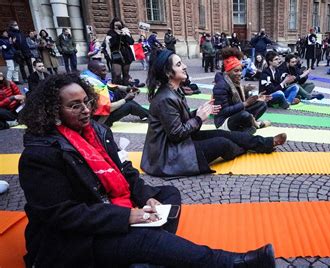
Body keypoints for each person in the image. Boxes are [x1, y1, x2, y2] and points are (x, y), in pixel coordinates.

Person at [18, 73, 276, 267]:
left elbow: (126, 172)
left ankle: (144, 255)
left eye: (86, 102)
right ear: (53, 112)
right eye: (74, 106)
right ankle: (232, 262)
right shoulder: (39, 155)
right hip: (71, 240)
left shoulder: (97, 131)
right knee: (147, 239)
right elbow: (63, 216)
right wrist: (128, 217)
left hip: (111, 205)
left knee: (169, 196)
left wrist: (145, 199)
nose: (86, 110)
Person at [141, 49, 286, 177]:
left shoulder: (174, 91)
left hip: (181, 142)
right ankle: (250, 144)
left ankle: (266, 142)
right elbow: (176, 133)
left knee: (225, 135)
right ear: (167, 73)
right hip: (168, 155)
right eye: (179, 65)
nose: (185, 66)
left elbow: (179, 120)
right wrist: (199, 118)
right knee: (223, 143)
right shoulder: (165, 98)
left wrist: (198, 112)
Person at [213, 47, 272, 134]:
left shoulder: (235, 82)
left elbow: (238, 100)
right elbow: (223, 112)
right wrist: (246, 103)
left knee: (262, 104)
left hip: (236, 114)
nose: (240, 74)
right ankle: (253, 125)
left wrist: (256, 98)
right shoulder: (220, 86)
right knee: (245, 115)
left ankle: (249, 125)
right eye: (236, 71)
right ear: (227, 72)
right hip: (224, 122)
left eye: (241, 70)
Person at [81, 60, 149, 126]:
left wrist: (127, 88)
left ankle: (146, 113)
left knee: (118, 91)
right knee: (130, 105)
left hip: (93, 114)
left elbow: (108, 86)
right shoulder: (96, 87)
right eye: (103, 70)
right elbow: (108, 108)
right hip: (99, 121)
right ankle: (151, 115)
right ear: (94, 71)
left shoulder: (87, 76)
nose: (106, 72)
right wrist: (125, 99)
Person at [106, 18, 135, 85]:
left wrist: (125, 34)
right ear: (113, 25)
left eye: (119, 25)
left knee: (126, 74)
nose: (117, 27)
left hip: (126, 54)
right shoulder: (111, 32)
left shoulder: (126, 31)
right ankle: (117, 90)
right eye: (115, 25)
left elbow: (131, 42)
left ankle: (125, 89)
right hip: (116, 55)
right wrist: (118, 35)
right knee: (117, 74)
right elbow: (112, 44)